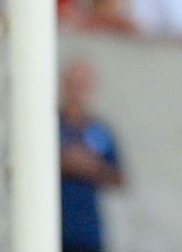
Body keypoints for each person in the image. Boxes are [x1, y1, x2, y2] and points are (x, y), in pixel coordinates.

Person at [60, 61, 123, 252]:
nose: (77, 91)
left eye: (82, 84)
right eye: (73, 84)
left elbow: (119, 177)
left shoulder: (100, 130)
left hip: (87, 232)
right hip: (51, 226)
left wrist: (91, 167)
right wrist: (63, 161)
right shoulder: (48, 125)